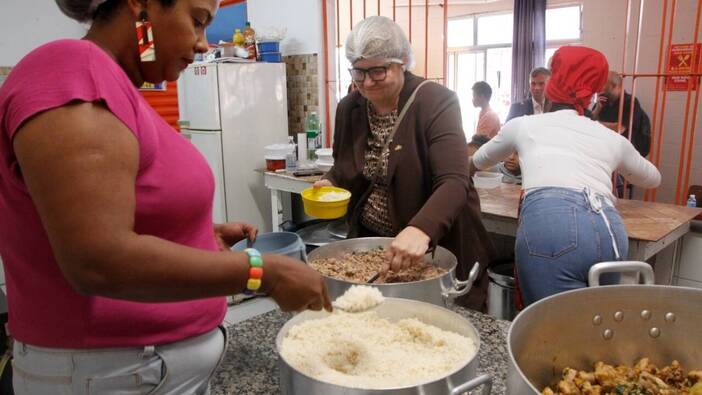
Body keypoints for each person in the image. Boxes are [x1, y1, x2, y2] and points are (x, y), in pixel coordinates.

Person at [0, 1, 330, 394]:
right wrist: (261, 273)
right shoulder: (76, 73)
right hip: (112, 375)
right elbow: (97, 261)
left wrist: (194, 234)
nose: (204, 44)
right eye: (197, 21)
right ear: (140, 6)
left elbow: (115, 213)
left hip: (141, 372)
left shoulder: (114, 83)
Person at [314, 16, 494, 309]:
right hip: (374, 246)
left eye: (378, 71)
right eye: (358, 72)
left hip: (432, 247)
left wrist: (421, 229)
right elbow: (346, 166)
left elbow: (454, 181)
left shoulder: (435, 102)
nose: (367, 82)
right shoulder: (349, 108)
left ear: (402, 63)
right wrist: (331, 181)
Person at [471, 46, 661, 306]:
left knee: (551, 331)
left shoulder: (523, 125)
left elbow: (479, 160)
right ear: (591, 92)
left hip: (553, 229)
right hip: (609, 231)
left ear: (551, 88)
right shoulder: (610, 138)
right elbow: (653, 178)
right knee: (599, 327)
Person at [592, 71, 652, 158]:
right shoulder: (604, 100)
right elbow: (590, 120)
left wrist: (596, 124)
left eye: (604, 87)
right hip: (608, 150)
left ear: (616, 87)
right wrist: (597, 109)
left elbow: (619, 128)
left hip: (629, 154)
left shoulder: (630, 102)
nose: (600, 90)